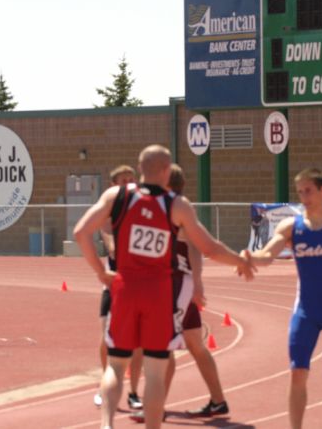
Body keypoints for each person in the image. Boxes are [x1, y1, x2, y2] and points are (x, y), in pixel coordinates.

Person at [74, 144, 255, 429]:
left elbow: (80, 232)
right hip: (159, 293)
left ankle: (106, 424)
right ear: (165, 169)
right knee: (156, 372)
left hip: (125, 287)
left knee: (116, 365)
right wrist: (240, 261)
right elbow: (208, 247)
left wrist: (101, 273)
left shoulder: (116, 196)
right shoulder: (177, 205)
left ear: (140, 167)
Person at [245, 168, 322, 429]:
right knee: (297, 372)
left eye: (308, 190)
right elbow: (267, 255)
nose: (304, 197)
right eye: (300, 191)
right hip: (305, 313)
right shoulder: (291, 227)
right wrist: (248, 258)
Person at [129, 163, 230, 423]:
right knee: (195, 344)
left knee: (164, 347)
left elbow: (198, 248)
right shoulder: (165, 209)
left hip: (176, 287)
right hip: (176, 285)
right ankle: (218, 401)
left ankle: (156, 406)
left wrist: (196, 282)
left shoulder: (176, 210)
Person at [94, 165, 144, 411]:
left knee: (137, 344)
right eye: (123, 181)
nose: (129, 184)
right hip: (114, 285)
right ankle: (105, 384)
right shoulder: (109, 215)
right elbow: (112, 246)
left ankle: (134, 392)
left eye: (131, 179)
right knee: (107, 339)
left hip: (138, 286)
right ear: (114, 186)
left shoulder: (145, 209)